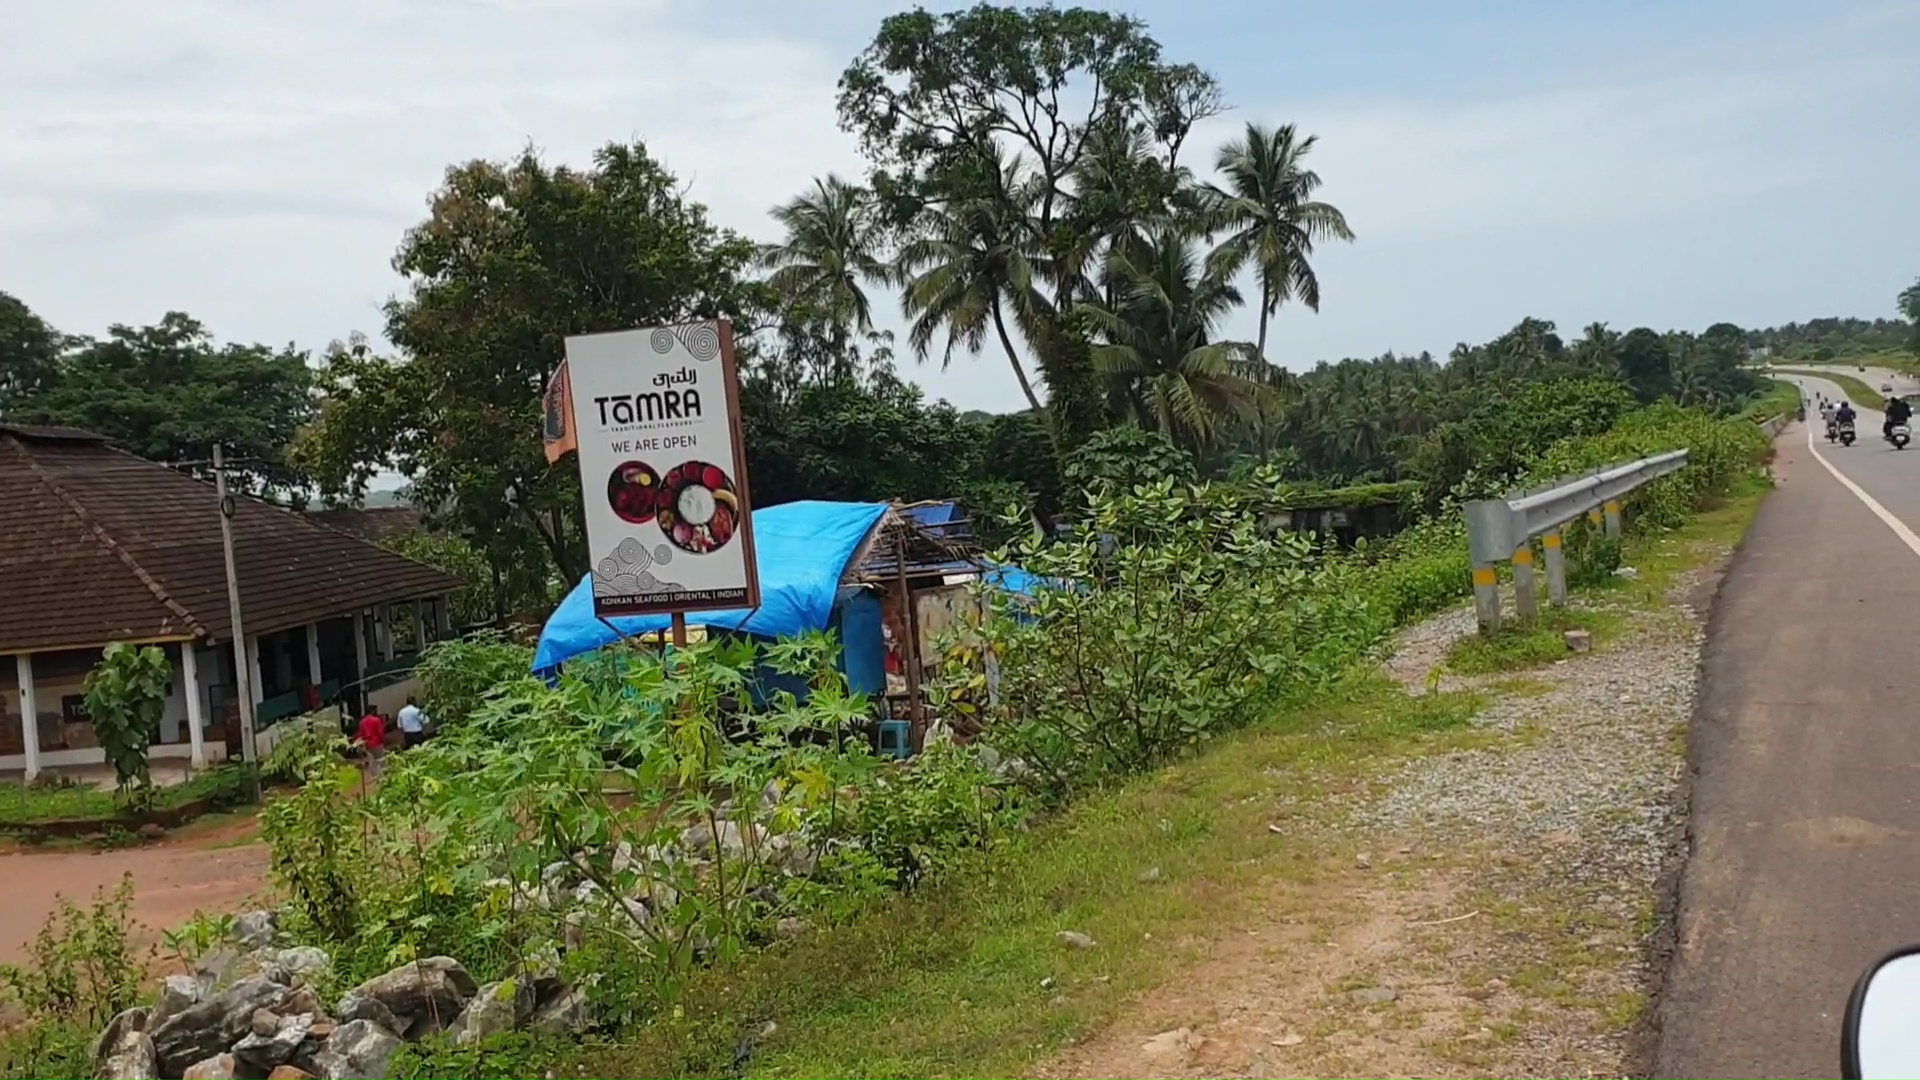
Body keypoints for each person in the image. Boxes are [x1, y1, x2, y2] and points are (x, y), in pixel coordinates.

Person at [356, 709, 388, 776]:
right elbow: (380, 732)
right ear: (372, 711)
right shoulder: (376, 720)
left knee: (372, 761)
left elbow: (360, 734)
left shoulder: (362, 722)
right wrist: (383, 740)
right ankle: (384, 774)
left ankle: (375, 775)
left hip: (368, 744)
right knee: (381, 759)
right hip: (377, 743)